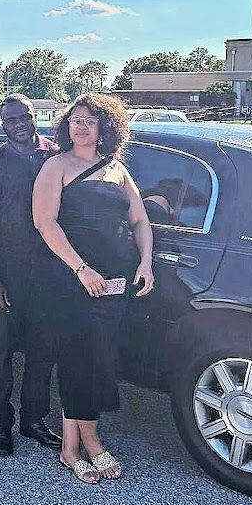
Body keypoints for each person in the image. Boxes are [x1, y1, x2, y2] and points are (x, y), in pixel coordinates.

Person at [32, 93, 154, 484]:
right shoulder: (56, 166)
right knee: (79, 360)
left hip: (116, 284)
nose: (81, 127)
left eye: (90, 121)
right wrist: (82, 269)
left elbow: (140, 221)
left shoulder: (117, 170)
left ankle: (70, 448)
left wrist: (146, 262)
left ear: (105, 128)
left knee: (96, 361)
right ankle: (91, 443)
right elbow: (45, 224)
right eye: (75, 120)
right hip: (72, 281)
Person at [0, 94, 62, 457]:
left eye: (25, 116)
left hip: (50, 274)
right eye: (11, 119)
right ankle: (0, 424)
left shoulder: (54, 156)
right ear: (2, 124)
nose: (20, 123)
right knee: (0, 354)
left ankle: (34, 420)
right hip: (7, 276)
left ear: (32, 117)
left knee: (43, 351)